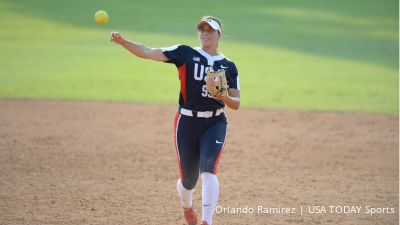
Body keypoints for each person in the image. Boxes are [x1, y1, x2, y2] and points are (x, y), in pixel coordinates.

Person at [110, 15, 240, 225]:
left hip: (215, 123)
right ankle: (187, 206)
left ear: (219, 35)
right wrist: (124, 42)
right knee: (188, 181)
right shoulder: (185, 53)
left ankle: (207, 221)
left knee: (209, 169)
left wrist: (222, 95)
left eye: (210, 30)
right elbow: (148, 52)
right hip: (187, 123)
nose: (205, 33)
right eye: (202, 29)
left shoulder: (229, 66)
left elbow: (236, 103)